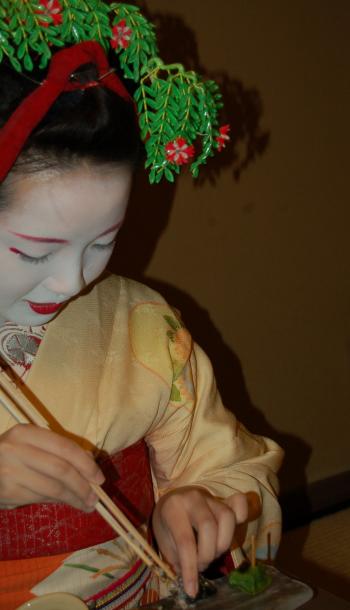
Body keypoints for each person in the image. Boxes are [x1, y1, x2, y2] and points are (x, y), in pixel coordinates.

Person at [0, 8, 283, 610]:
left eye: (104, 241)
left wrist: (199, 503)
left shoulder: (142, 327)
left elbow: (235, 467)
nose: (75, 278)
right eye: (32, 251)